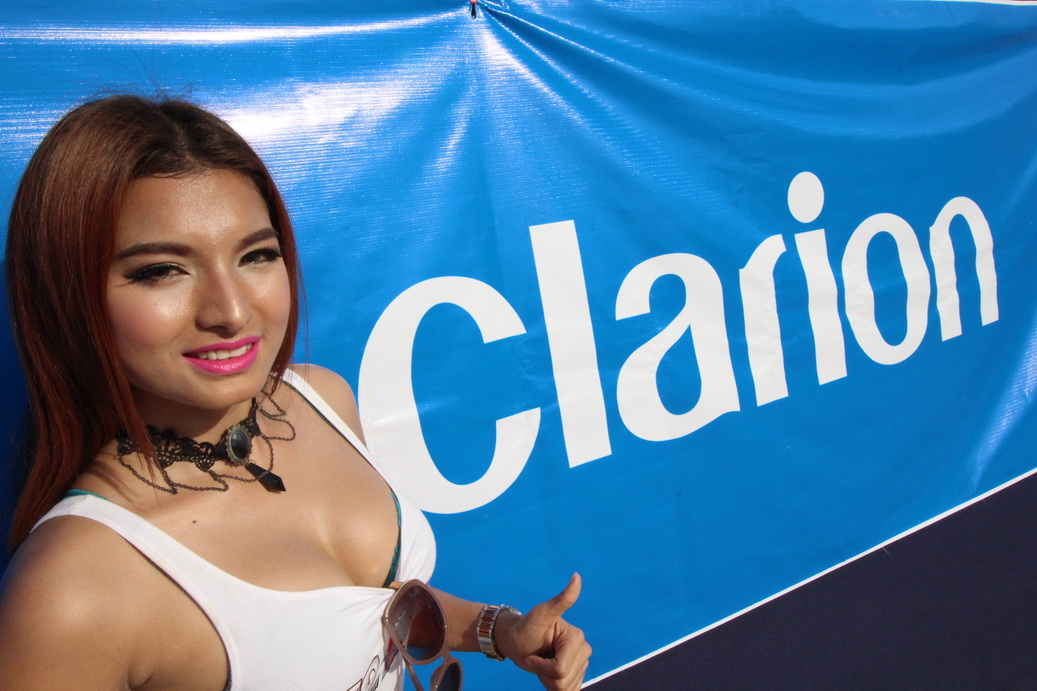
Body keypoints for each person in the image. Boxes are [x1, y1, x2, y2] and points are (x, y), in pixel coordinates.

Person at [0, 95, 590, 690]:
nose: (232, 311)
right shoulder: (71, 592)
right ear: (68, 294)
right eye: (161, 270)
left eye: (256, 255)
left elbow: (375, 606)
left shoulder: (319, 398)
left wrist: (500, 631)